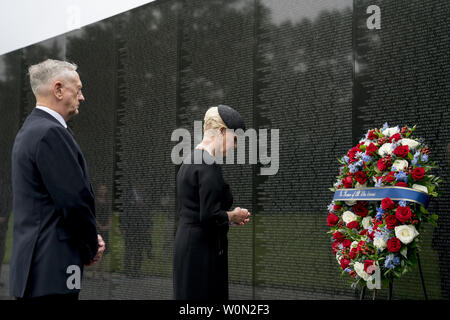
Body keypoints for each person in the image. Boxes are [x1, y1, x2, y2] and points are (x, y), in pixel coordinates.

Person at [10, 59, 105, 300]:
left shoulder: (30, 131)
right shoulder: (51, 133)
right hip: (53, 269)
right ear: (59, 89)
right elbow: (73, 200)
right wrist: (91, 245)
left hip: (36, 269)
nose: (82, 97)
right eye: (79, 89)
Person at [173, 105, 250, 300]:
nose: (235, 146)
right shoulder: (208, 165)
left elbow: (196, 211)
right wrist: (234, 215)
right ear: (222, 131)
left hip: (186, 247)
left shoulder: (189, 160)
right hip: (202, 253)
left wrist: (228, 218)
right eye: (234, 139)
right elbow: (209, 215)